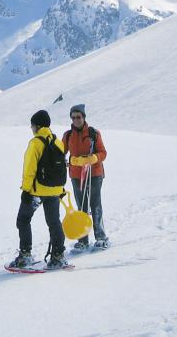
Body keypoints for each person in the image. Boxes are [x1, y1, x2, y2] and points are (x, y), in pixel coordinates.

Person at [9, 109, 68, 270]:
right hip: (55, 190)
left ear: (37, 125)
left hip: (37, 190)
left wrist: (26, 191)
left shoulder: (35, 143)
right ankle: (58, 256)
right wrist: (61, 188)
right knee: (54, 222)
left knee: (23, 219)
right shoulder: (58, 142)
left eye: (32, 125)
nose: (31, 128)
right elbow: (62, 168)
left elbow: (29, 170)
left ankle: (25, 255)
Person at [63, 104, 109, 250]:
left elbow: (103, 152)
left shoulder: (93, 133)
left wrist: (93, 158)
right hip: (76, 176)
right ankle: (83, 240)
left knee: (95, 205)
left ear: (84, 117)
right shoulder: (68, 135)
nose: (76, 120)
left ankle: (101, 237)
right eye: (73, 117)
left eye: (79, 117)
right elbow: (61, 153)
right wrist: (70, 161)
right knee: (81, 207)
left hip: (94, 174)